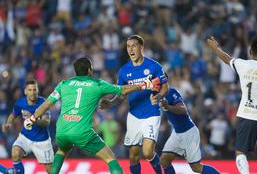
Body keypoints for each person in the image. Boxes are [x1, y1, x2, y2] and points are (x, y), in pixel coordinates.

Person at [24, 57, 160, 174]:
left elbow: (46, 104)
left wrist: (32, 118)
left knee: (62, 150)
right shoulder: (97, 84)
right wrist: (145, 85)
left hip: (62, 130)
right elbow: (123, 89)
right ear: (89, 70)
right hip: (82, 131)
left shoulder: (64, 84)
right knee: (110, 158)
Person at [207, 36, 257, 174]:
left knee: (240, 153)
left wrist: (215, 48)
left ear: (250, 51)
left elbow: (226, 58)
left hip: (246, 114)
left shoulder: (243, 64)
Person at [100, 35, 169, 174]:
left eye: (134, 46)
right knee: (133, 156)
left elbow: (165, 87)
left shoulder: (154, 66)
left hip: (151, 113)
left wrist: (159, 96)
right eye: (128, 46)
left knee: (148, 152)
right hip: (134, 115)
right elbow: (121, 95)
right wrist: (111, 103)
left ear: (141, 47)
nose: (131, 49)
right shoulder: (124, 71)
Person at [157, 86, 220, 174]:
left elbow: (183, 110)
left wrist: (168, 107)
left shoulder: (171, 92)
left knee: (196, 167)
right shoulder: (156, 95)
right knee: (164, 161)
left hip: (189, 132)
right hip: (177, 132)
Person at [0, 79, 53, 174]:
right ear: (25, 91)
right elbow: (13, 115)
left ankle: (11, 172)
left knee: (51, 171)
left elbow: (46, 122)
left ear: (37, 91)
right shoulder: (20, 103)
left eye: (34, 90)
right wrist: (8, 124)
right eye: (29, 90)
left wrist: (33, 119)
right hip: (25, 137)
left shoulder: (43, 103)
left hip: (42, 141)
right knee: (15, 152)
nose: (32, 92)